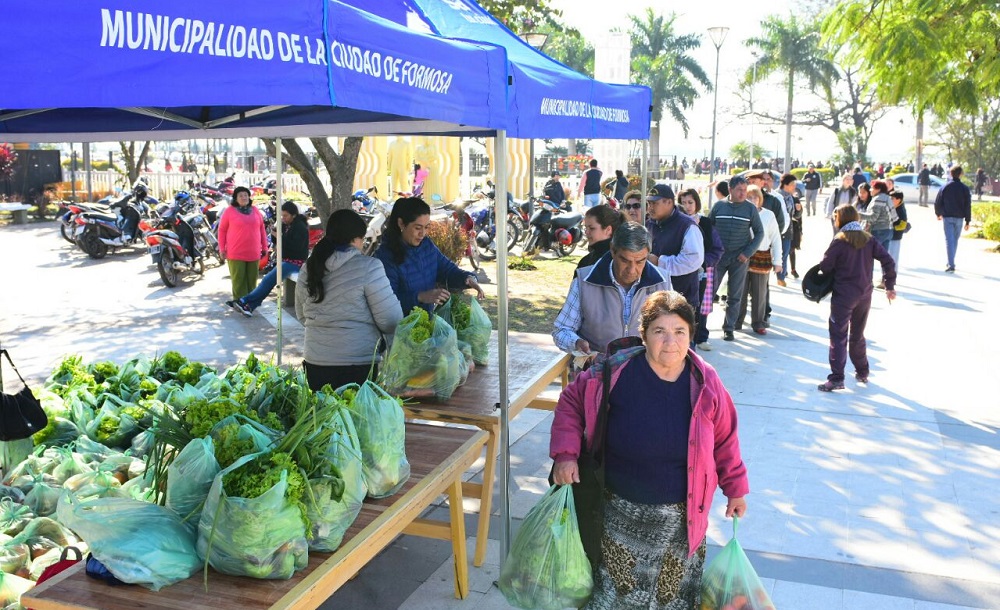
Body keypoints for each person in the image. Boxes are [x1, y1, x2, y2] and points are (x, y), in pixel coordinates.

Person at [550, 290, 749, 609]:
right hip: (618, 516)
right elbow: (571, 401)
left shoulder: (706, 383)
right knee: (616, 599)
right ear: (643, 335)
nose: (670, 341)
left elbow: (726, 439)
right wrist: (566, 453)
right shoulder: (613, 371)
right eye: (660, 331)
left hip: (681, 522)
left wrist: (735, 490)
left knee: (673, 601)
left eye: (679, 331)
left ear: (690, 335)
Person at [296, 209, 403, 391]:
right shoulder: (369, 267)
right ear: (356, 239)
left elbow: (301, 314)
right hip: (357, 365)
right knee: (355, 418)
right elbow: (391, 321)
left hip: (315, 362)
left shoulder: (310, 266)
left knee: (323, 418)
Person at [552, 222, 671, 356]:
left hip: (645, 368)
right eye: (625, 261)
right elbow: (561, 329)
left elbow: (673, 328)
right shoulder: (584, 281)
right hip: (598, 369)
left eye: (640, 262)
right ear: (613, 251)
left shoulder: (663, 283)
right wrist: (576, 342)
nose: (632, 270)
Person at [817, 205, 896, 391]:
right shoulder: (869, 239)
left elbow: (825, 265)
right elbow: (888, 260)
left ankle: (837, 378)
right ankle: (862, 372)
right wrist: (889, 285)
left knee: (838, 335)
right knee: (858, 335)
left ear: (841, 220)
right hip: (864, 294)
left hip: (844, 296)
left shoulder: (839, 240)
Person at [374, 197, 484, 314]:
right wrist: (420, 297)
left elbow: (447, 270)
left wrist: (468, 278)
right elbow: (385, 303)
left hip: (426, 322)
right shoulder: (384, 257)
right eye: (417, 228)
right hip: (400, 328)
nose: (422, 234)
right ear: (401, 223)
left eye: (426, 227)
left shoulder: (426, 245)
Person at [226, 201, 309, 317]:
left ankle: (244, 301)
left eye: (285, 216)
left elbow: (295, 248)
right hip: (286, 260)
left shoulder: (300, 227)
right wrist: (275, 233)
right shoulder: (287, 225)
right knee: (268, 282)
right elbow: (279, 243)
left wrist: (280, 237)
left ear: (293, 215)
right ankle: (249, 306)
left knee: (267, 280)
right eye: (282, 215)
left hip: (295, 262)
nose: (283, 218)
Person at [708, 176, 764, 342]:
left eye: (744, 190)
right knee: (709, 292)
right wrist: (711, 251)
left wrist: (747, 252)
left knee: (735, 295)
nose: (742, 193)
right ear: (730, 189)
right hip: (719, 257)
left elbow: (759, 232)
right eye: (739, 190)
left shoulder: (750, 209)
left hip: (740, 258)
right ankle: (701, 326)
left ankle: (729, 328)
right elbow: (708, 229)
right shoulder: (719, 206)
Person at [645, 183, 704, 312]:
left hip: (682, 298)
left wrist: (660, 262)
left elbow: (693, 260)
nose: (650, 207)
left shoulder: (687, 226)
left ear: (669, 202)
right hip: (654, 298)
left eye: (654, 203)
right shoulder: (649, 224)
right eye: (649, 203)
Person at [677, 189, 724, 350]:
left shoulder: (705, 222)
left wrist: (704, 263)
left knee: (702, 305)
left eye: (690, 202)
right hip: (682, 272)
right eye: (683, 203)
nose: (687, 206)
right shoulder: (676, 223)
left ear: (697, 203)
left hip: (704, 271)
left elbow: (717, 249)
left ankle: (701, 337)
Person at [739, 186, 782, 335]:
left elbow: (776, 239)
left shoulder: (768, 215)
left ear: (760, 199)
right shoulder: (741, 211)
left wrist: (778, 261)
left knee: (759, 293)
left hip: (762, 257)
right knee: (739, 291)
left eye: (755, 197)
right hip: (742, 256)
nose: (752, 200)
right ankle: (736, 320)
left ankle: (758, 323)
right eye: (749, 197)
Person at [218, 186, 268, 302]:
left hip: (253, 252)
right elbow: (222, 230)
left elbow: (262, 229)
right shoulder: (229, 211)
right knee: (238, 281)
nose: (244, 197)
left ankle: (250, 303)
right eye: (240, 195)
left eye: (246, 195)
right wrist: (222, 249)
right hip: (235, 253)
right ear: (235, 198)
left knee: (252, 281)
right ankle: (240, 303)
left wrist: (264, 247)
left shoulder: (255, 210)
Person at [934, 165, 972, 273]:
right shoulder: (964, 188)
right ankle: (951, 262)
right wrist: (968, 220)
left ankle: (950, 263)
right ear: (961, 174)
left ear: (951, 174)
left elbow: (938, 201)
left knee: (949, 240)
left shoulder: (945, 187)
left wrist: (938, 213)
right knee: (954, 240)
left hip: (947, 217)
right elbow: (968, 205)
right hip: (959, 218)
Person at [577, 204, 624, 270]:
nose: (586, 232)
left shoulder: (616, 260)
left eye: (591, 228)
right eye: (586, 228)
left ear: (608, 230)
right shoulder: (587, 260)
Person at [859, 180, 895, 254]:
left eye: (872, 188)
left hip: (879, 231)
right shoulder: (887, 198)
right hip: (889, 231)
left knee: (867, 254)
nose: (870, 190)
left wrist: (858, 215)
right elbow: (894, 216)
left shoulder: (877, 199)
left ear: (878, 189)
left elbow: (873, 217)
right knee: (884, 257)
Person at [887, 190, 907, 275]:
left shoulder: (901, 210)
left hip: (895, 237)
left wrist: (891, 227)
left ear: (899, 200)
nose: (890, 200)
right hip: (889, 236)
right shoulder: (892, 208)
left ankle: (891, 277)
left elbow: (903, 225)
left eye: (892, 198)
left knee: (893, 258)